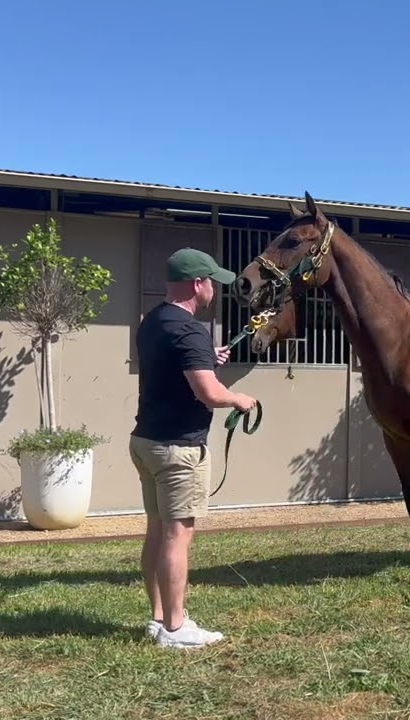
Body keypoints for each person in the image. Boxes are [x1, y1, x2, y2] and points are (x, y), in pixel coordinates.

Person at [130, 247, 257, 649]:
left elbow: (177, 368)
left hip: (146, 442)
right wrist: (239, 398)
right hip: (178, 450)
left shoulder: (154, 322)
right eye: (212, 283)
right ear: (197, 284)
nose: (215, 291)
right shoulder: (189, 330)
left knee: (156, 531)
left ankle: (159, 618)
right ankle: (176, 627)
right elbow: (208, 394)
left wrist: (208, 358)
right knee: (177, 536)